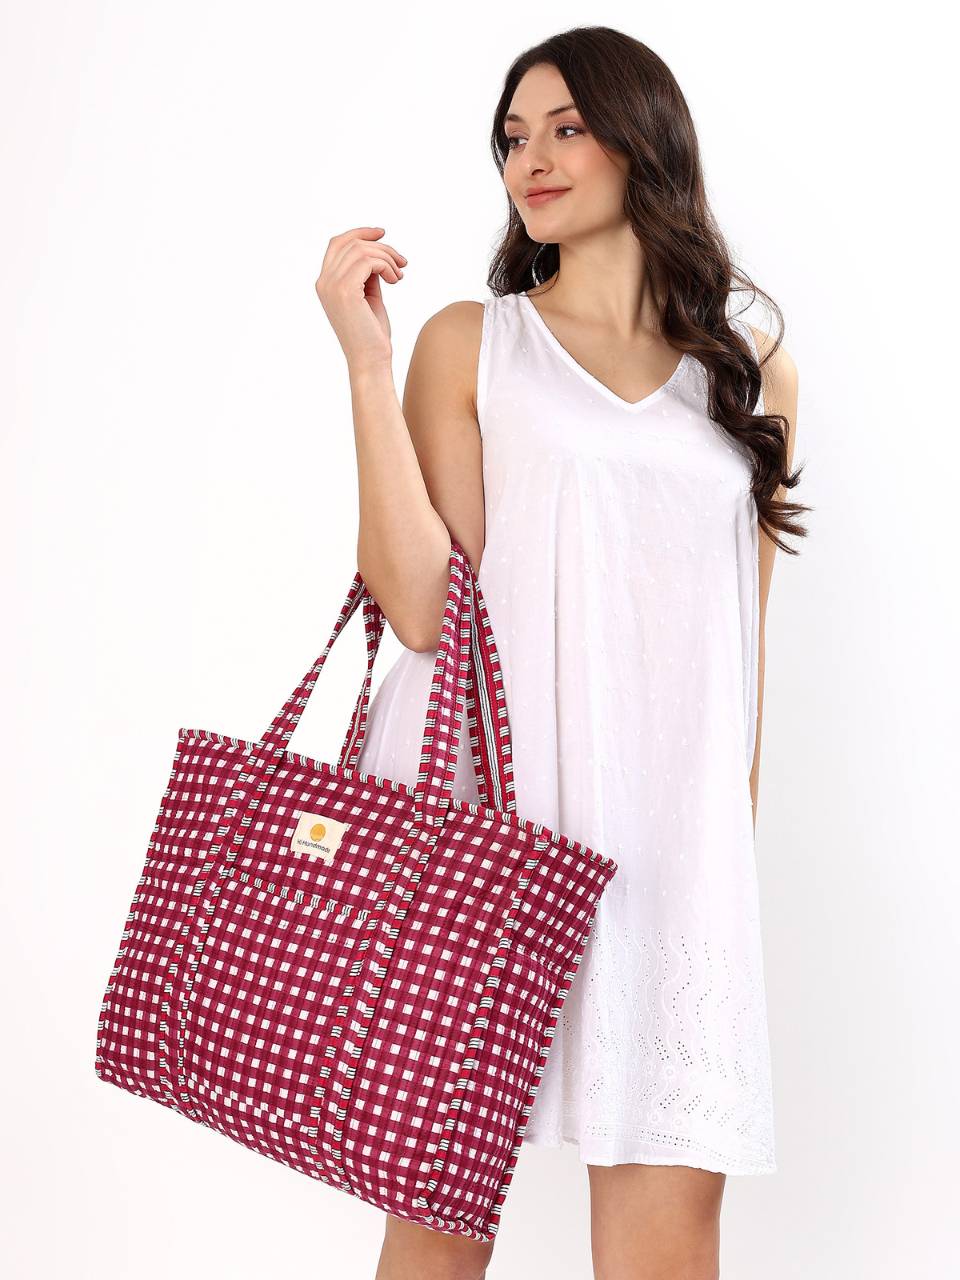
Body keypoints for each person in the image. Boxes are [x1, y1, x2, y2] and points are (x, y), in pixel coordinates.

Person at [315, 24, 806, 1280]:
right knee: (436, 1227)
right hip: (490, 825)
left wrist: (725, 857)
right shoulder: (473, 344)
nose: (529, 158)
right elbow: (421, 607)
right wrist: (368, 367)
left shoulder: (750, 374)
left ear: (645, 139)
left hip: (668, 853)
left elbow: (743, 658)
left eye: (566, 128)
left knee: (666, 1240)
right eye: (512, 137)